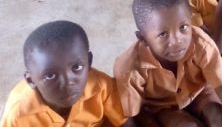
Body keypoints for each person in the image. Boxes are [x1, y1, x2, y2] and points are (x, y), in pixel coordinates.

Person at [114, 0, 222, 126]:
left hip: (200, 93)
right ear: (143, 39)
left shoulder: (202, 44)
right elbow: (132, 116)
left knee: (218, 117)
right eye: (163, 34)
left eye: (183, 27)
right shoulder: (128, 68)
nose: (177, 41)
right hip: (163, 107)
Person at [0, 21, 130, 126]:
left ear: (89, 62)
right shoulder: (17, 115)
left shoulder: (101, 86)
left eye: (77, 67)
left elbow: (125, 122)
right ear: (31, 81)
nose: (68, 83)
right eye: (50, 75)